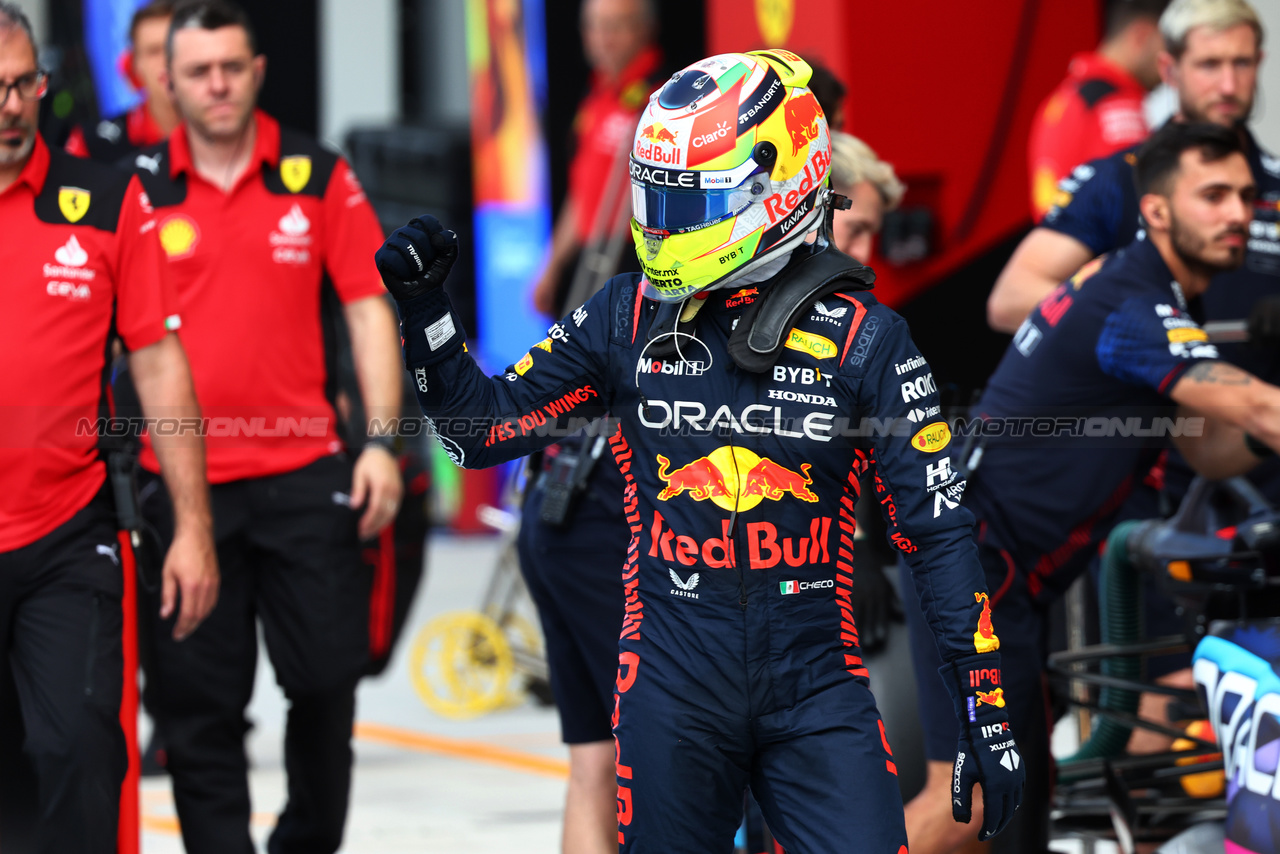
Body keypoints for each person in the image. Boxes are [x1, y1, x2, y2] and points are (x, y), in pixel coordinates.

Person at [378, 50, 1025, 852]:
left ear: (780, 190)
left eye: (697, 202)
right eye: (660, 199)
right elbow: (478, 432)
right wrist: (426, 317)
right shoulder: (624, 313)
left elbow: (937, 532)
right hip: (673, 684)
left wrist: (984, 712)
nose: (671, 225)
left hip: (818, 687)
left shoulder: (870, 339)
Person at [908, 121, 1280, 854]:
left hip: (993, 572)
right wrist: (1264, 403)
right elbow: (1258, 409)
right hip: (973, 566)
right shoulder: (1134, 304)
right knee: (972, 802)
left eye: (1244, 194)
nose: (1238, 212)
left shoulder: (1155, 295)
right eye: (1213, 195)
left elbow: (1208, 448)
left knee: (1022, 802)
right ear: (1158, 211)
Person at [125, 2, 403, 852]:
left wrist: (384, 445)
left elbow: (368, 307)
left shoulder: (316, 175)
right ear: (165, 80)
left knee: (327, 681)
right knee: (196, 709)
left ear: (257, 71)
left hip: (305, 472)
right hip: (180, 487)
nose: (217, 85)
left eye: (232, 67)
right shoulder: (132, 187)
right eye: (199, 70)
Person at [0, 5, 217, 852]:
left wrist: (193, 528)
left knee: (80, 752)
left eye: (22, 85)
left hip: (67, 533)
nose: (10, 105)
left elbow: (160, 365)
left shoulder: (105, 200)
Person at [990, 0, 1269, 334]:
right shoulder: (1119, 178)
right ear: (1169, 70)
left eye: (1241, 63)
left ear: (1259, 64)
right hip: (1152, 382)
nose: (1227, 85)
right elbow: (1010, 301)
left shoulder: (1275, 179)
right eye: (1209, 64)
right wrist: (1148, 323)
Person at [531, 0, 663, 318]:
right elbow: (584, 191)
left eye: (615, 26)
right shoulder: (597, 95)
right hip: (594, 260)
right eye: (594, 26)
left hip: (639, 261)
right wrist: (552, 265)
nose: (603, 38)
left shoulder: (665, 94)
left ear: (643, 29)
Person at [1026, 0, 1168, 221]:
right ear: (1142, 36)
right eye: (1168, 49)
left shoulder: (1066, 97)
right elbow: (1137, 201)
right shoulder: (1117, 105)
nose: (1171, 64)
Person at [66, 0, 178, 162]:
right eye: (154, 51)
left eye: (173, 48)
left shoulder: (222, 132)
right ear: (132, 65)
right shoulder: (92, 144)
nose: (167, 61)